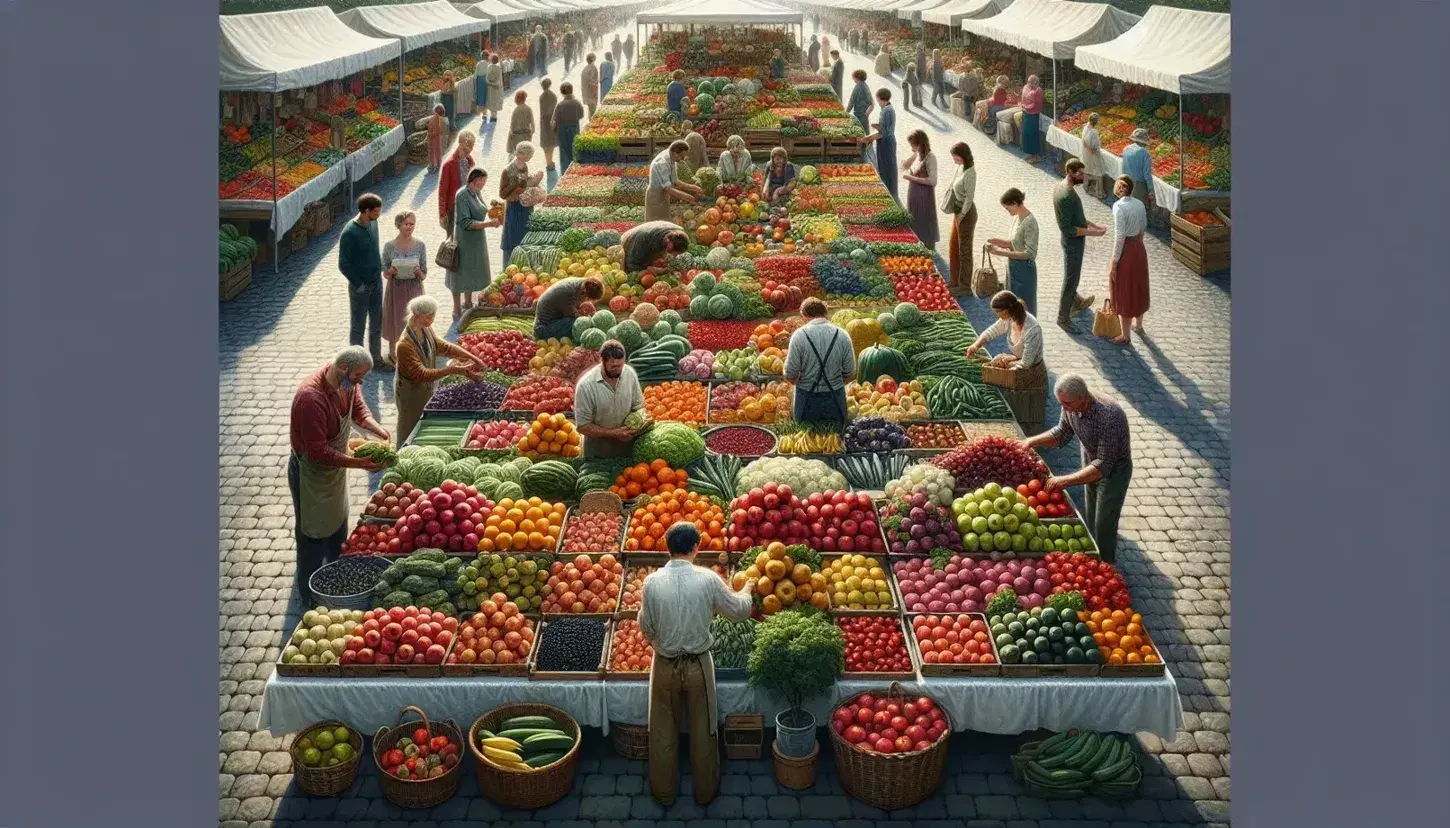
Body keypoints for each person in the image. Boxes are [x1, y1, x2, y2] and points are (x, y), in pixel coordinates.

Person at [640, 521, 758, 806]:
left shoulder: (651, 582)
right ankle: (705, 794)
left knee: (662, 730)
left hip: (665, 665)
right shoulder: (707, 578)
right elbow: (739, 612)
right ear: (696, 548)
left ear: (667, 549)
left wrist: (659, 643)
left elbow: (646, 626)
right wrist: (748, 589)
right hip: (698, 665)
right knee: (704, 729)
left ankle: (664, 794)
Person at [289, 347, 390, 606]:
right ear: (344, 368)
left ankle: (335, 580)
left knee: (337, 527)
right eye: (359, 375)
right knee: (311, 536)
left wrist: (377, 429)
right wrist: (358, 463)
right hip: (312, 474)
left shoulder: (346, 382)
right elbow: (318, 452)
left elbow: (359, 409)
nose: (362, 381)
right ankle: (309, 595)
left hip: (333, 472)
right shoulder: (311, 398)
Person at [1020, 374, 1132, 563]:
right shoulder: (1071, 403)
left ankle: (1106, 566)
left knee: (1104, 523)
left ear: (1083, 397)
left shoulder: (1109, 416)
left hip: (1114, 471)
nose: (1064, 408)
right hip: (1090, 460)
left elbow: (1103, 465)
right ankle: (1091, 558)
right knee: (1090, 518)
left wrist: (1066, 480)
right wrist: (1031, 441)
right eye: (1061, 403)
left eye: (1067, 404)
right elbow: (1062, 433)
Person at [393, 295, 485, 447]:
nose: (432, 319)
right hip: (410, 392)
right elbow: (422, 374)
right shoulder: (404, 345)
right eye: (429, 316)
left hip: (425, 387)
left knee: (422, 423)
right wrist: (452, 370)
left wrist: (473, 357)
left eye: (433, 316)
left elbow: (444, 347)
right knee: (409, 426)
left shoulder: (426, 329)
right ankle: (401, 454)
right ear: (417, 316)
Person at [1051, 158, 1105, 334]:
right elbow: (1068, 228)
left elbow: (1076, 217)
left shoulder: (1061, 187)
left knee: (1072, 275)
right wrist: (1094, 233)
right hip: (1073, 243)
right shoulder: (1067, 196)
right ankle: (1063, 318)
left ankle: (1078, 301)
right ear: (1070, 172)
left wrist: (1092, 224)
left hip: (1073, 241)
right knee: (1071, 279)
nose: (1083, 176)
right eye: (1080, 173)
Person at [784, 298, 856, 426]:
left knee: (807, 441)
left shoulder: (799, 335)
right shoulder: (843, 335)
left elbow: (790, 374)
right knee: (835, 441)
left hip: (806, 401)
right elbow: (850, 373)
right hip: (835, 399)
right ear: (825, 313)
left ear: (804, 315)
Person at [339, 193, 390, 368]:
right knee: (358, 325)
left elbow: (375, 249)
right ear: (366, 211)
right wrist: (358, 285)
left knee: (376, 322)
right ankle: (356, 362)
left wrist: (382, 269)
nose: (379, 215)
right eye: (376, 212)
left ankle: (376, 359)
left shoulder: (373, 223)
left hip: (376, 283)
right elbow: (344, 264)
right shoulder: (350, 232)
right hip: (360, 287)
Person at [574, 340, 646, 459]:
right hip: (598, 453)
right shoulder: (586, 386)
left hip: (627, 449)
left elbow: (638, 407)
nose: (617, 369)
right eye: (613, 366)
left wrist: (635, 427)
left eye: (620, 365)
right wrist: (614, 433)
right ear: (602, 361)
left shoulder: (629, 374)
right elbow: (583, 426)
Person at [451, 168, 503, 318]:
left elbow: (481, 210)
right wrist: (488, 224)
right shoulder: (462, 195)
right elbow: (466, 222)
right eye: (482, 180)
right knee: (460, 273)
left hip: (476, 239)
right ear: (475, 179)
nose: (483, 184)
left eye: (484, 181)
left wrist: (495, 208)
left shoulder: (476, 192)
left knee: (471, 271)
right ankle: (456, 309)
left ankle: (467, 303)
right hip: (464, 239)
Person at [1107, 175, 1150, 345]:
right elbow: (1144, 225)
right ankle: (1138, 325)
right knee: (1139, 285)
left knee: (1124, 288)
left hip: (1126, 250)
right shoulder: (1139, 204)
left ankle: (1125, 335)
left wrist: (1115, 261)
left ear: (1121, 188)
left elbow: (1119, 236)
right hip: (1139, 248)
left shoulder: (1119, 207)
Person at [381, 211, 428, 365]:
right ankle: (393, 352)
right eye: (406, 224)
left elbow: (424, 272)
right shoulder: (389, 246)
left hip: (414, 287)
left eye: (412, 224)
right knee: (396, 317)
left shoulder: (420, 245)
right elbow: (385, 273)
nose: (409, 227)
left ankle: (415, 350)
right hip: (396, 288)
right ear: (399, 225)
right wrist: (391, 271)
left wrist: (418, 271)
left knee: (415, 318)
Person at [964, 290, 1044, 376]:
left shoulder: (1032, 330)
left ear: (1005, 311)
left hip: (1031, 367)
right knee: (996, 361)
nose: (996, 315)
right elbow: (991, 331)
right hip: (1018, 358)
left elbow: (1026, 363)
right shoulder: (1010, 317)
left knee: (997, 369)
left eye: (997, 312)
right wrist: (975, 345)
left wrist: (1007, 364)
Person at [987, 187, 1039, 315]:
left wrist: (1000, 252)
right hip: (1014, 268)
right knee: (1013, 305)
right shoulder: (1017, 218)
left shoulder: (1030, 223)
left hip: (1024, 271)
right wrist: (998, 242)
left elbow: (1030, 253)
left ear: (1015, 203)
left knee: (1024, 308)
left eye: (1007, 208)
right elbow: (1014, 243)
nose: (1007, 211)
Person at [940, 141, 977, 294]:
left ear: (964, 156)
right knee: (954, 245)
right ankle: (955, 280)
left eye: (957, 158)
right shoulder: (960, 168)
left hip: (966, 214)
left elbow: (969, 197)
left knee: (965, 250)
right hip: (958, 211)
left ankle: (965, 286)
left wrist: (961, 215)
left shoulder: (970, 172)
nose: (955, 161)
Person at [500, 142, 545, 265]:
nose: (530, 157)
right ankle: (509, 265)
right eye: (529, 155)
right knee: (513, 239)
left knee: (526, 237)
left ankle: (525, 264)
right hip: (514, 209)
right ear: (523, 155)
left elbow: (525, 184)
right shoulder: (507, 171)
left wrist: (533, 182)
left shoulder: (524, 166)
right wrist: (515, 186)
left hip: (526, 208)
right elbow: (502, 194)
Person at [645, 141, 704, 222]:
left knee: (665, 223)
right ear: (675, 153)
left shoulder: (672, 158)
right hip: (655, 196)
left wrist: (694, 188)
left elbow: (675, 181)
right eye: (682, 157)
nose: (682, 159)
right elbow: (668, 189)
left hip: (664, 196)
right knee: (654, 224)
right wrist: (688, 197)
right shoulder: (662, 163)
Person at [533, 275, 605, 340]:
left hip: (557, 315)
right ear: (585, 293)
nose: (589, 301)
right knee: (580, 324)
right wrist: (587, 316)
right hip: (544, 327)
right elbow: (573, 315)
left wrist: (585, 305)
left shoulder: (581, 283)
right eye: (589, 299)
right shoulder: (568, 293)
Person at [901, 129, 938, 248]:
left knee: (925, 224)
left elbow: (932, 181)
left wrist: (911, 178)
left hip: (924, 197)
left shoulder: (930, 157)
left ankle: (928, 250)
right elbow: (904, 166)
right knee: (915, 221)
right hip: (914, 195)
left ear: (921, 144)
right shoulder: (917, 154)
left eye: (913, 145)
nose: (911, 147)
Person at [861, 88, 898, 199]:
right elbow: (885, 127)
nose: (877, 102)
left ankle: (889, 192)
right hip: (886, 142)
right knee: (885, 166)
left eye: (877, 99)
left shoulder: (887, 111)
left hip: (886, 143)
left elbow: (884, 133)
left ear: (881, 99)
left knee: (886, 167)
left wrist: (868, 138)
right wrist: (876, 126)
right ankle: (890, 190)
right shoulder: (887, 108)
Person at [438, 132, 476, 235]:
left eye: (469, 151)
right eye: (464, 150)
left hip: (467, 207)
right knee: (452, 241)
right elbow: (442, 191)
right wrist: (442, 214)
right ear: (459, 144)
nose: (466, 153)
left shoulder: (470, 161)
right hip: (453, 209)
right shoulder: (448, 165)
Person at [621, 221, 691, 273]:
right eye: (675, 254)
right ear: (670, 247)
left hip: (650, 235)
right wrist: (645, 271)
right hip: (630, 239)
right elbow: (632, 263)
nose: (675, 257)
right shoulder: (643, 239)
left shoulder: (678, 233)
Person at [552, 82, 585, 175]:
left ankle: (565, 173)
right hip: (574, 128)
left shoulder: (560, 105)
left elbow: (555, 121)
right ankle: (576, 171)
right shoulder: (577, 103)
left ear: (562, 92)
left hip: (562, 130)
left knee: (564, 153)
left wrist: (554, 131)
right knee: (574, 149)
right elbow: (581, 115)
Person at [1121, 128, 1154, 207]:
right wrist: (1151, 189)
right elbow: (1147, 174)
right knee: (1139, 206)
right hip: (1139, 185)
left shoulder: (1126, 149)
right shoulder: (1145, 153)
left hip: (1126, 180)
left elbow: (1123, 166)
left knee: (1128, 204)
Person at [1080, 112, 1107, 197]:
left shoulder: (1085, 127)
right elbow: (1095, 148)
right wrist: (1091, 149)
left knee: (1087, 170)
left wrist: (1086, 147)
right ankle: (1099, 193)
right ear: (1096, 122)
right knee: (1098, 173)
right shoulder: (1094, 132)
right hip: (1093, 155)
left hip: (1085, 154)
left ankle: (1085, 187)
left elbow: (1084, 142)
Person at [1020, 75, 1045, 161]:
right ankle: (1030, 153)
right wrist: (1024, 106)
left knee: (1032, 134)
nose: (1029, 83)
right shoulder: (1027, 87)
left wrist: (1025, 106)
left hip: (1033, 115)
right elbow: (1024, 98)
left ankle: (1036, 156)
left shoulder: (1038, 90)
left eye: (1032, 82)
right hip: (1026, 113)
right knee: (1026, 133)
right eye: (1028, 81)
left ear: (1036, 82)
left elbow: (1034, 104)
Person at [537, 78, 559, 171]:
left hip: (544, 121)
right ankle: (550, 162)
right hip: (551, 120)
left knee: (546, 143)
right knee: (551, 142)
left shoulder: (541, 96)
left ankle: (549, 162)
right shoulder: (553, 95)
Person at [507, 90, 535, 155]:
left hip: (517, 136)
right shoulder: (528, 109)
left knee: (516, 153)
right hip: (526, 134)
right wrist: (531, 133)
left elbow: (512, 125)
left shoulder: (516, 110)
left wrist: (511, 134)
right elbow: (532, 123)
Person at [846, 69, 873, 136]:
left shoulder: (857, 88)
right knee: (866, 128)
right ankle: (868, 142)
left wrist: (846, 112)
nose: (853, 79)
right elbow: (870, 100)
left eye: (853, 78)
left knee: (859, 129)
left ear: (857, 78)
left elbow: (851, 101)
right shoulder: (865, 85)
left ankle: (863, 143)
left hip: (859, 112)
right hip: (865, 112)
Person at [426, 103, 448, 173]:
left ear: (436, 111)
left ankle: (434, 166)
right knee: (437, 150)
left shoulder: (436, 118)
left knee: (433, 151)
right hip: (437, 138)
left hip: (434, 138)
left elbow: (436, 130)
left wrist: (430, 134)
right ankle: (436, 164)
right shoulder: (439, 118)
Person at [484, 54, 505, 125]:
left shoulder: (491, 67)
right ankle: (494, 115)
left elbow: (490, 77)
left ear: (492, 60)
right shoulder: (498, 68)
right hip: (497, 87)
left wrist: (487, 79)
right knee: (495, 100)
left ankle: (493, 116)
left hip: (492, 87)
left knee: (492, 100)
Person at [582, 53, 600, 117]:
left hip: (587, 92)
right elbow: (592, 81)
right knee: (593, 109)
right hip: (592, 92)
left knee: (590, 108)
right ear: (592, 59)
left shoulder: (585, 68)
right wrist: (594, 92)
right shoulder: (593, 68)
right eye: (594, 57)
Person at [474, 48, 490, 118]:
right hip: (486, 80)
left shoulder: (479, 64)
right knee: (486, 96)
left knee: (481, 97)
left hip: (480, 81)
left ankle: (482, 112)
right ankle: (485, 113)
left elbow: (476, 74)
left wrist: (474, 81)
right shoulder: (488, 64)